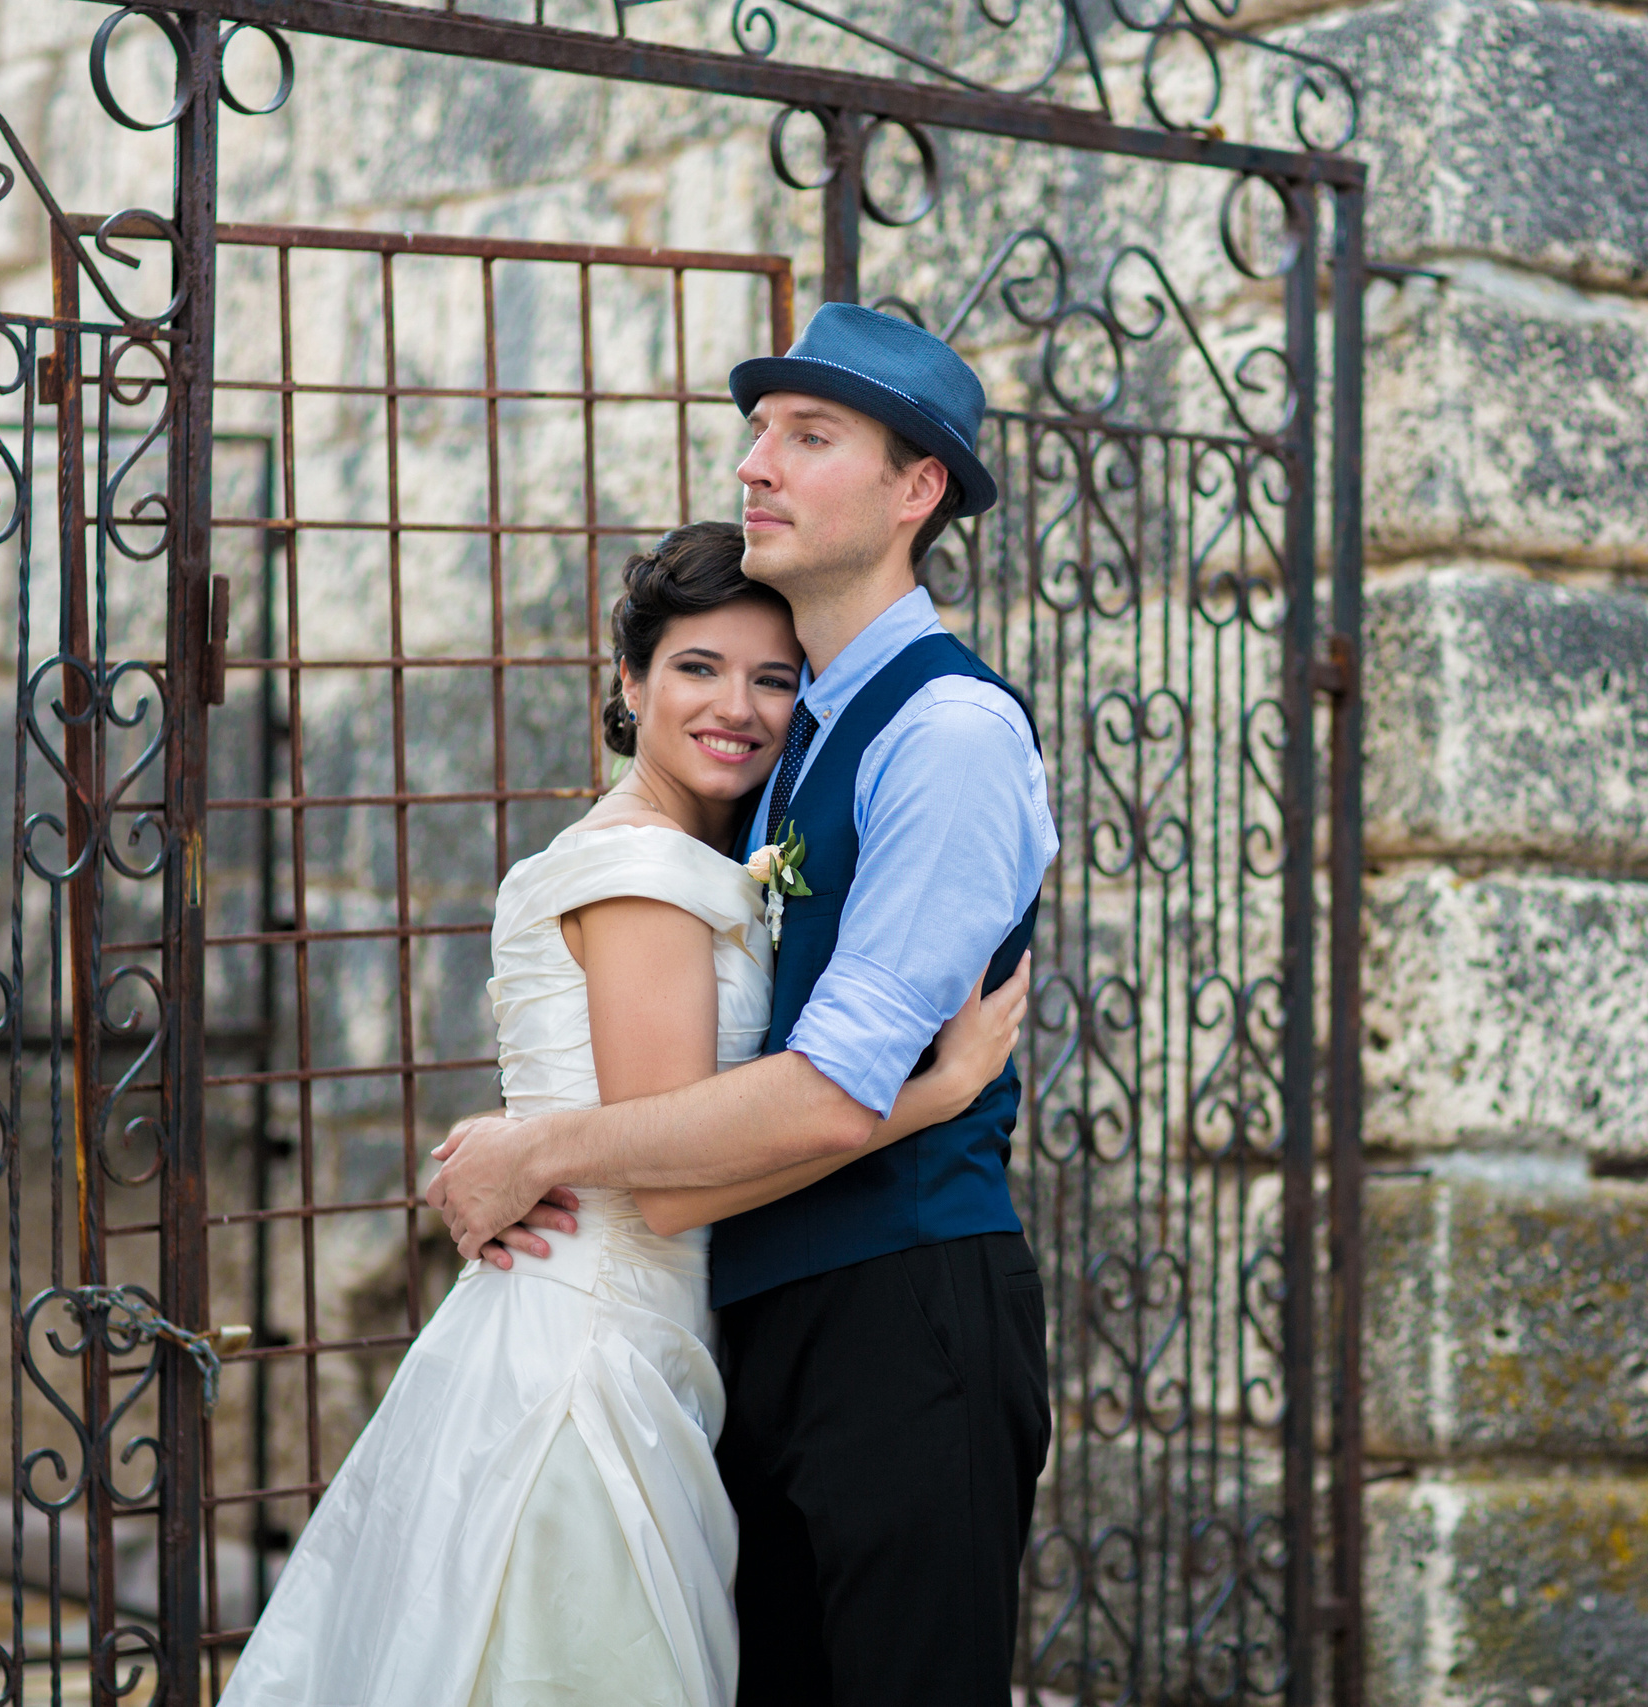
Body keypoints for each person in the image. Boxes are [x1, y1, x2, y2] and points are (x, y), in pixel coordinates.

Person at [217, 520, 1030, 1707]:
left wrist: (536, 1140)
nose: (738, 708)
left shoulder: (703, 851)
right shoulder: (647, 872)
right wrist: (938, 1094)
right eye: (698, 668)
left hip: (644, 1330)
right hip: (593, 1351)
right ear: (629, 680)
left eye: (772, 679)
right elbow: (671, 1179)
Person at [428, 303, 1059, 1706]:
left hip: (905, 1315)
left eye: (809, 435)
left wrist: (543, 1147)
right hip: (759, 1321)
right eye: (758, 432)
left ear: (917, 491)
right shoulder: (790, 743)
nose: (756, 464)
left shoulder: (947, 733)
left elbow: (838, 1083)